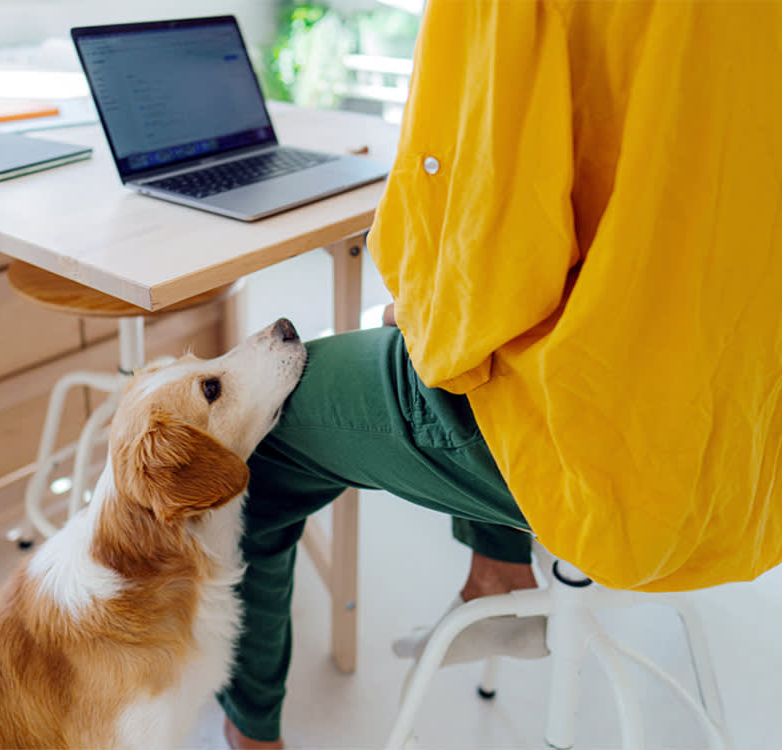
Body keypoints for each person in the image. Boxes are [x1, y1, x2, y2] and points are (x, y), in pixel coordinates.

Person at [220, 1, 782, 746]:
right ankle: (498, 572)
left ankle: (249, 732)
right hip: (747, 430)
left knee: (250, 440)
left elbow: (487, 253)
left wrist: (419, 307)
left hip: (602, 439)